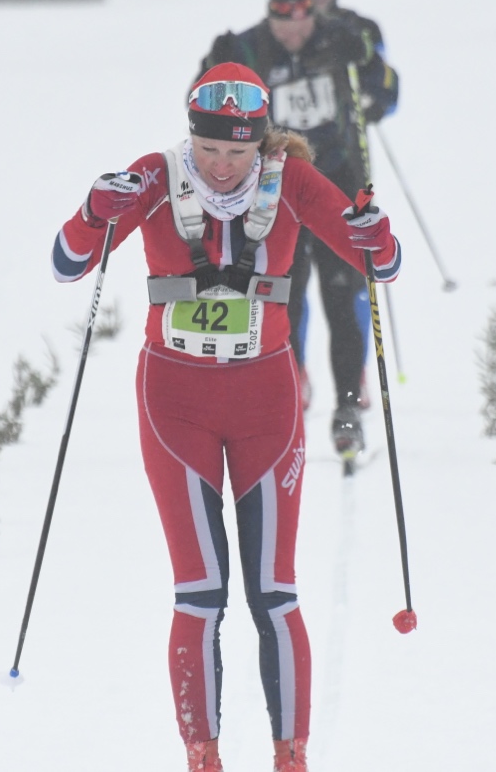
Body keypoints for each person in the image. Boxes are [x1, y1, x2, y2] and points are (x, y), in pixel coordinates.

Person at [50, 63, 402, 772]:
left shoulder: (290, 179)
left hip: (265, 401)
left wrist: (375, 233)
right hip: (173, 402)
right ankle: (203, 757)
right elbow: (66, 264)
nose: (220, 167)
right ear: (191, 136)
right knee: (200, 589)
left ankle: (291, 756)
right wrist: (94, 210)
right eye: (209, 150)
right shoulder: (155, 175)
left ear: (259, 142)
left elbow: (380, 265)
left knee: (273, 589)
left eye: (236, 153)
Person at [198, 0, 399, 461]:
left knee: (342, 295)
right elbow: (203, 103)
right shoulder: (250, 47)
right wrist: (215, 62)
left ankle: (348, 406)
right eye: (281, 21)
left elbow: (387, 92)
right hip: (275, 190)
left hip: (335, 184)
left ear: (313, 12)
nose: (292, 32)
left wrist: (368, 57)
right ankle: (289, 387)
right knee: (280, 294)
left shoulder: (338, 39)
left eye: (302, 20)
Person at [291, 0, 401, 415]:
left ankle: (352, 375)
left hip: (341, 168)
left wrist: (374, 102)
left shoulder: (359, 27)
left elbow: (387, 84)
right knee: (287, 283)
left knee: (347, 279)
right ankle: (293, 373)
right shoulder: (285, 33)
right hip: (292, 174)